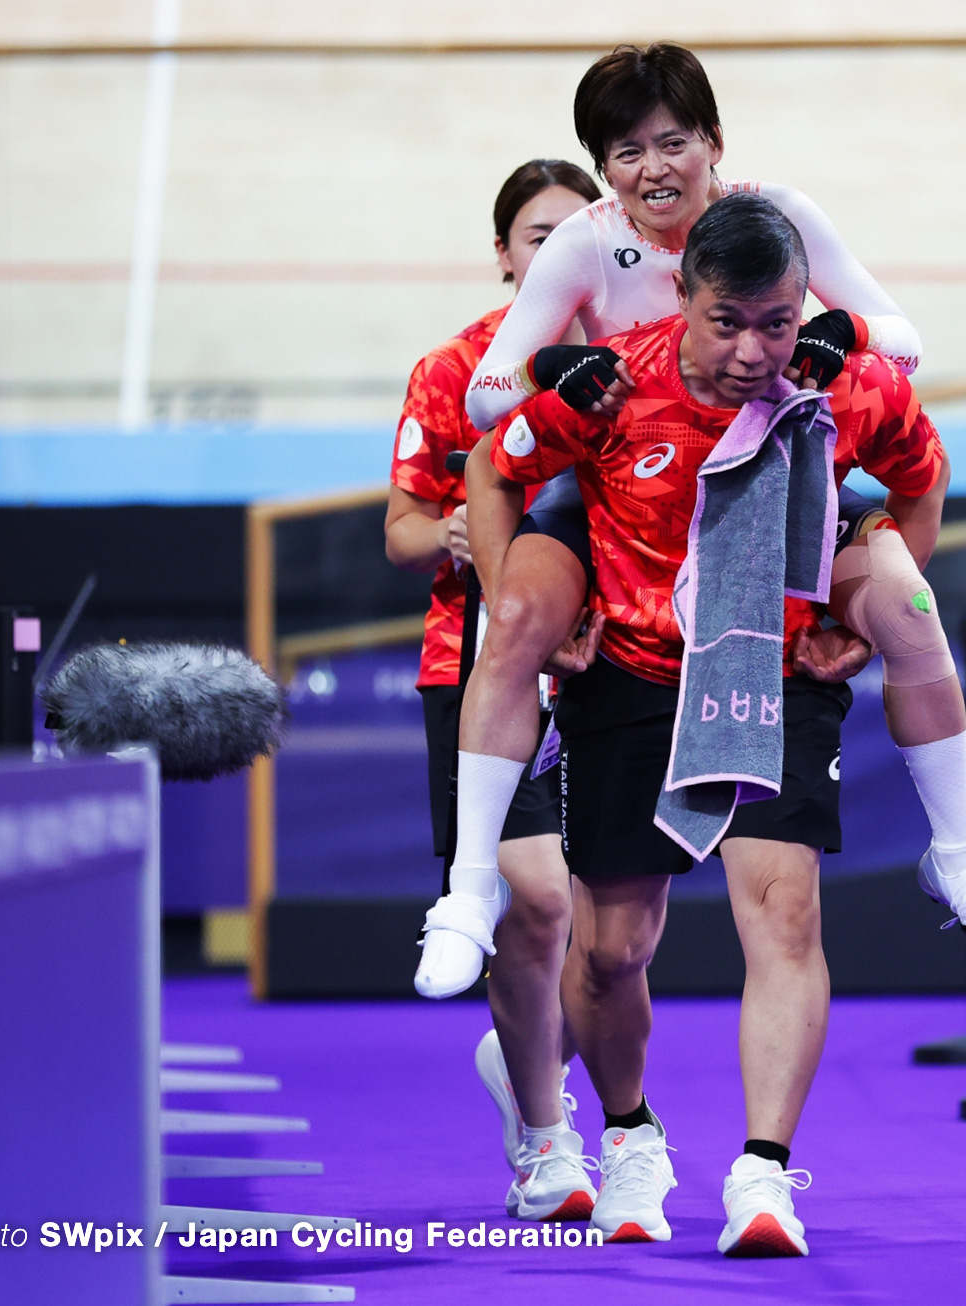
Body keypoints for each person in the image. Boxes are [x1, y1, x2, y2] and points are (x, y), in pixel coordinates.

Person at [420, 39, 966, 1003]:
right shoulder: (589, 238)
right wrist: (555, 368)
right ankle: (468, 892)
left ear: (714, 142)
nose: (652, 171)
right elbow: (489, 397)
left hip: (775, 471)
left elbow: (905, 341)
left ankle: (960, 858)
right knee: (509, 620)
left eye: (673, 143)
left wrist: (845, 331)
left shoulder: (779, 216)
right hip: (627, 476)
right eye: (625, 154)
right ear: (603, 167)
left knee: (910, 607)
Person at [472, 191, 965, 1255]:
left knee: (783, 914)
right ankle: (630, 1133)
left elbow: (926, 482)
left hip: (775, 665)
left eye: (777, 323)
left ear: (803, 311)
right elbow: (491, 468)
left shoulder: (846, 383)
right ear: (680, 298)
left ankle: (765, 1171)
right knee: (610, 949)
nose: (753, 350)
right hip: (635, 671)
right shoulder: (613, 382)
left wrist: (865, 616)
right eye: (727, 322)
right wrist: (539, 603)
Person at [383, 158, 607, 1223]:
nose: (548, 249)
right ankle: (550, 1137)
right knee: (540, 898)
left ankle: (523, 1073)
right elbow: (401, 530)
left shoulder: (635, 357)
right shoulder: (453, 369)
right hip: (478, 665)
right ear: (507, 251)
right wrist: (459, 533)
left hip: (616, 663)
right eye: (532, 233)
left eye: (570, 230)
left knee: (600, 924)